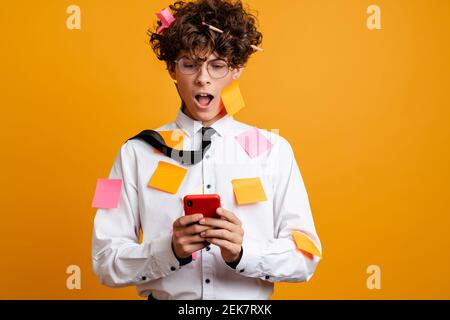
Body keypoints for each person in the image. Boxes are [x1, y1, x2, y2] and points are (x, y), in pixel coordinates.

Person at [92, 0, 321, 300]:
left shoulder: (275, 150)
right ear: (172, 69)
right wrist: (169, 251)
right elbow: (102, 260)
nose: (203, 78)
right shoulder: (132, 153)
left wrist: (243, 253)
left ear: (236, 69)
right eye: (190, 64)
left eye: (217, 65)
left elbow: (308, 253)